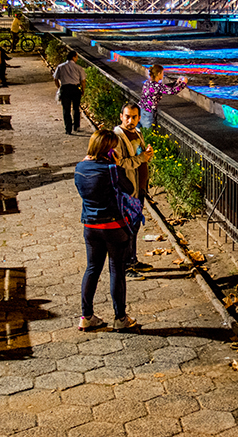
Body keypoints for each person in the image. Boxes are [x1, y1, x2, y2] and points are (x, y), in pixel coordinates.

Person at [73, 129, 141, 331]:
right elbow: (128, 188)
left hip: (90, 226)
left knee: (92, 268)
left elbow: (82, 191)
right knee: (116, 270)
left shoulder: (79, 168)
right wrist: (118, 165)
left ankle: (86, 316)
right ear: (109, 149)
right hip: (114, 227)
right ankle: (120, 318)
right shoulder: (112, 169)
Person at [114, 103, 154, 277]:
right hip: (127, 189)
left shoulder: (137, 133)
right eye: (127, 116)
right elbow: (120, 163)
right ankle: (124, 266)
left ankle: (132, 260)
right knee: (126, 228)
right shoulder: (117, 137)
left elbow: (140, 156)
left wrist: (147, 155)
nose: (130, 121)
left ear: (139, 117)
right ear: (121, 116)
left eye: (134, 117)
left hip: (139, 188)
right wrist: (141, 158)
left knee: (134, 226)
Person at [138, 64, 187, 129]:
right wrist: (184, 83)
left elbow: (164, 87)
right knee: (147, 134)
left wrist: (176, 83)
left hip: (140, 110)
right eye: (162, 73)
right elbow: (172, 91)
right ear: (158, 74)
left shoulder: (147, 83)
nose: (163, 75)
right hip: (148, 113)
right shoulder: (157, 86)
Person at [53, 50, 87, 135]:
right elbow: (83, 81)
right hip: (75, 88)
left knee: (66, 109)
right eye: (76, 57)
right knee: (76, 108)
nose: (77, 59)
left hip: (65, 89)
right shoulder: (79, 68)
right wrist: (83, 90)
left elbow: (55, 78)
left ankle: (68, 129)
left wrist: (59, 87)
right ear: (73, 57)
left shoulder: (60, 67)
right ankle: (76, 126)